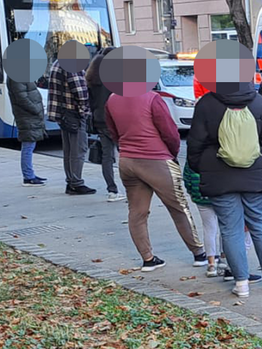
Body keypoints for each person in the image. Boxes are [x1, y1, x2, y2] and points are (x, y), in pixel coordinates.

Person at [186, 80, 262, 297]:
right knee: (260, 223)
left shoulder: (206, 104)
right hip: (256, 174)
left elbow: (194, 143)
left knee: (230, 228)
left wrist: (202, 168)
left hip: (218, 176)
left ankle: (241, 283)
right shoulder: (260, 103)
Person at [105, 76, 207, 272]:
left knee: (137, 212)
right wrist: (172, 154)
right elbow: (169, 132)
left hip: (127, 160)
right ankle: (199, 253)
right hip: (156, 159)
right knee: (179, 208)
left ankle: (148, 258)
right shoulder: (152, 98)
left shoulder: (112, 99)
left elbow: (113, 131)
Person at [183, 162, 256, 280]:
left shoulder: (194, 152)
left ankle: (211, 264)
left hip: (200, 195)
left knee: (209, 229)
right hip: (220, 193)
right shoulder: (216, 152)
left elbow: (186, 176)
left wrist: (192, 191)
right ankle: (225, 261)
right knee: (226, 227)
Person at [43, 46, 96, 195]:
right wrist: (85, 111)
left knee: (68, 149)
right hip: (73, 112)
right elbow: (80, 92)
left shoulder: (56, 63)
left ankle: (71, 181)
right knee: (79, 148)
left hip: (62, 113)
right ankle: (76, 182)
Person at [86, 50, 124, 202]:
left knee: (107, 156)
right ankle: (131, 187)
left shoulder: (92, 78)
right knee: (126, 155)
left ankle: (112, 190)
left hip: (99, 119)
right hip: (116, 119)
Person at [6, 61, 48, 186]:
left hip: (29, 115)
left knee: (30, 145)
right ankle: (28, 176)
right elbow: (22, 98)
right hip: (27, 115)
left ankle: (30, 174)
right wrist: (35, 109)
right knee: (28, 145)